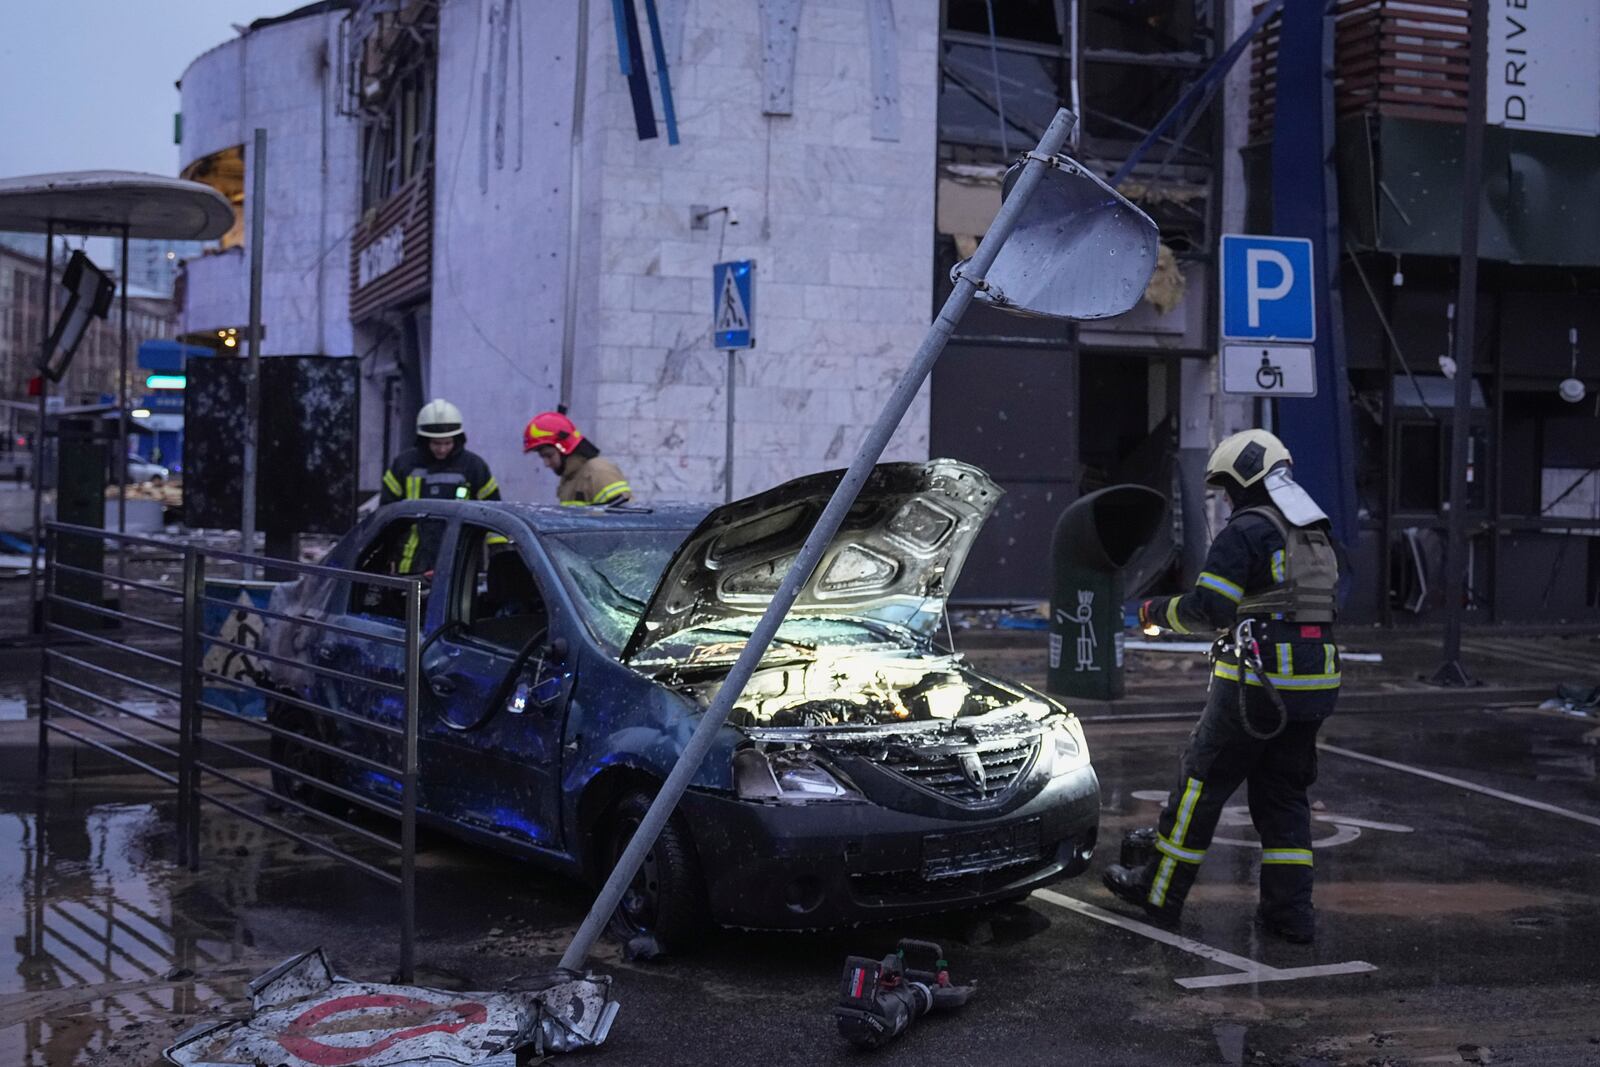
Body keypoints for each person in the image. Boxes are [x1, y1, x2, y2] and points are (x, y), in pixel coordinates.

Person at [1103, 429, 1342, 944]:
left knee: (1199, 785)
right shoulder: (1315, 530)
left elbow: (1209, 610)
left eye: (1229, 488)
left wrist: (1153, 612)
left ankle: (1159, 894)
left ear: (1246, 480)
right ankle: (1290, 915)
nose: (1228, 499)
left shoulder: (1247, 531)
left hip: (1255, 684)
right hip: (1316, 682)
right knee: (1284, 799)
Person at [379, 399, 500, 572]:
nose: (442, 449)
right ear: (424, 440)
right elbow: (386, 514)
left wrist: (500, 558)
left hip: (459, 567)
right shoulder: (404, 465)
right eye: (436, 443)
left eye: (447, 443)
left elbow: (494, 515)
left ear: (457, 439)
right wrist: (385, 557)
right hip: (411, 565)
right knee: (413, 599)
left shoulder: (474, 467)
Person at [522, 410, 632, 506]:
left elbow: (622, 521)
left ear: (564, 448)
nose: (546, 463)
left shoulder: (599, 472)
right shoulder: (570, 477)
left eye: (549, 455)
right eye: (543, 457)